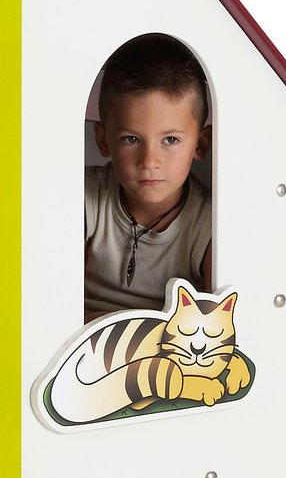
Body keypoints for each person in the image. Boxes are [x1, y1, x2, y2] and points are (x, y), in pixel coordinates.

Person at [85, 33, 212, 321]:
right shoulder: (84, 199)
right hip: (74, 341)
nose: (149, 161)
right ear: (103, 140)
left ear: (200, 145)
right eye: (131, 139)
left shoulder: (208, 227)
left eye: (170, 140)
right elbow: (48, 302)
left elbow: (213, 327)